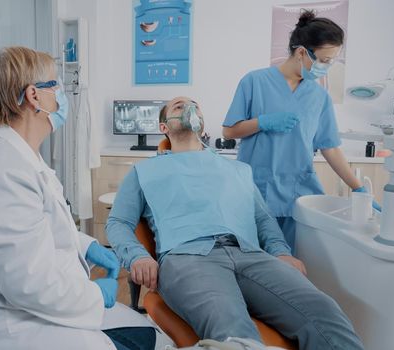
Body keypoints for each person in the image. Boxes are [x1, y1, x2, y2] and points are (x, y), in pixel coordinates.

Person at [0, 46, 167, 350]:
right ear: (34, 96)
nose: (61, 95)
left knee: (146, 335)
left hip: (39, 304)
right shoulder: (2, 171)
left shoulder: (23, 157)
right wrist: (93, 295)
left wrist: (87, 246)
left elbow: (38, 228)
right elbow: (27, 284)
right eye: (56, 85)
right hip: (9, 322)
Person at [106, 96, 364, 350]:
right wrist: (138, 256)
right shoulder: (144, 171)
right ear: (163, 127)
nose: (188, 108)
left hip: (251, 254)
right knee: (231, 328)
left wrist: (281, 252)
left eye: (195, 105)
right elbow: (117, 222)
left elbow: (263, 219)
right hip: (188, 258)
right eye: (179, 106)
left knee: (325, 313)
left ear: (202, 124)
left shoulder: (238, 170)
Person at [222, 10, 378, 251]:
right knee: (257, 263)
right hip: (256, 189)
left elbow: (330, 148)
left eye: (331, 61)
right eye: (324, 60)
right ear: (302, 51)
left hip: (298, 192)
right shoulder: (254, 82)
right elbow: (229, 131)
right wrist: (262, 122)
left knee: (296, 263)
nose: (326, 67)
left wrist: (357, 186)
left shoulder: (319, 97)